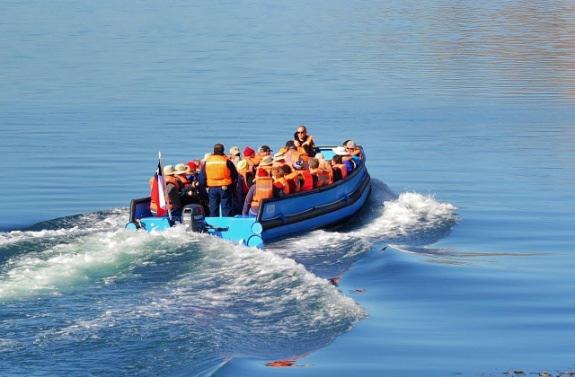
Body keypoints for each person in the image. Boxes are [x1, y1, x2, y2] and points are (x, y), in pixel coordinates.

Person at [199, 143, 238, 217]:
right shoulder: (226, 161)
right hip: (225, 187)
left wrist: (204, 186)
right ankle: (227, 225)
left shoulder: (208, 161)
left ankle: (214, 225)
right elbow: (234, 175)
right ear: (223, 150)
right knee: (226, 208)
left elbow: (202, 176)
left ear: (214, 151)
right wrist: (232, 185)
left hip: (212, 187)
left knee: (213, 208)